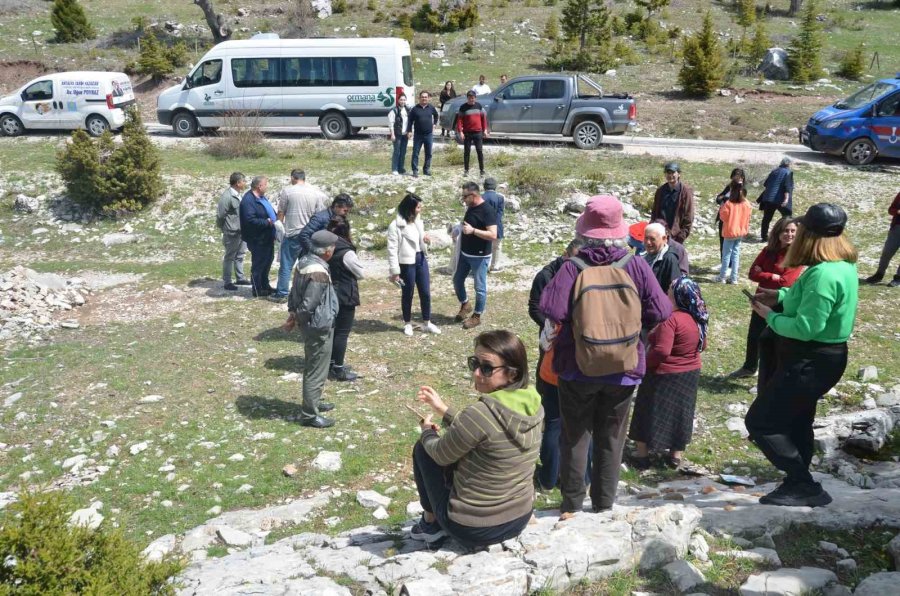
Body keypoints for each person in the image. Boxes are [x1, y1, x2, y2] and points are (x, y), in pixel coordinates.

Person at [539, 195, 671, 519]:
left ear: (585, 232)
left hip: (576, 367)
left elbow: (550, 308)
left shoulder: (573, 267)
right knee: (612, 438)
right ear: (620, 230)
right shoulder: (636, 264)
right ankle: (603, 506)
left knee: (574, 437)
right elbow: (662, 310)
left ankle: (571, 505)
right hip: (623, 369)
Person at [744, 203, 858, 507]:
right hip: (825, 356)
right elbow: (811, 302)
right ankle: (796, 481)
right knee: (797, 420)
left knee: (761, 422)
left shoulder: (821, 275)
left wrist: (770, 316)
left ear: (809, 235)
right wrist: (780, 296)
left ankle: (802, 482)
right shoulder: (842, 266)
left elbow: (807, 326)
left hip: (810, 358)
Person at [409, 330, 543, 547]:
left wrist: (427, 431)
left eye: (487, 368)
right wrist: (444, 410)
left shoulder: (480, 414)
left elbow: (441, 454)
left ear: (512, 373)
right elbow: (484, 430)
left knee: (424, 449)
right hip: (520, 517)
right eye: (475, 363)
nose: (477, 373)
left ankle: (431, 524)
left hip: (474, 529)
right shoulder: (534, 403)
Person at [528, 239, 592, 491]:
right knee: (562, 422)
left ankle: (554, 478)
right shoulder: (548, 276)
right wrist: (547, 325)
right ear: (565, 254)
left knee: (558, 422)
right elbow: (534, 307)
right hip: (571, 363)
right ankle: (569, 477)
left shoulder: (577, 278)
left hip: (558, 363)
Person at [628, 276, 708, 470]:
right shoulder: (698, 318)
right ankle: (675, 455)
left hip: (664, 373)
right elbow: (703, 345)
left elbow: (662, 350)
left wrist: (643, 365)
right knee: (682, 412)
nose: (666, 293)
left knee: (647, 410)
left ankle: (642, 453)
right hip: (690, 372)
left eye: (670, 291)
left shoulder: (670, 319)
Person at [728, 217, 803, 379]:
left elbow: (787, 281)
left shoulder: (796, 255)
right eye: (786, 230)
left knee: (778, 337)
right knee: (754, 334)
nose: (789, 234)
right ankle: (749, 367)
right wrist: (774, 276)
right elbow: (752, 274)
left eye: (793, 231)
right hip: (761, 298)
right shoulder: (768, 251)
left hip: (782, 301)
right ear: (778, 232)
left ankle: (775, 372)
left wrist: (765, 274)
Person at [284, 230, 341, 429]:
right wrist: (296, 319)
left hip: (312, 324)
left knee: (316, 366)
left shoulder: (304, 261)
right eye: (332, 247)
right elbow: (309, 303)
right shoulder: (318, 271)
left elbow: (294, 292)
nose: (333, 249)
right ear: (326, 251)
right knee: (316, 369)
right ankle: (309, 415)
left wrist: (293, 314)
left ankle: (313, 403)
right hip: (318, 326)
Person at [387, 193, 441, 337]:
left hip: (420, 258)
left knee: (425, 292)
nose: (420, 209)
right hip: (406, 263)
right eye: (418, 207)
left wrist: (427, 241)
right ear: (410, 208)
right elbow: (392, 249)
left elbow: (421, 240)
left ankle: (427, 322)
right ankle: (407, 323)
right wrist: (395, 271)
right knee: (407, 294)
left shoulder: (418, 221)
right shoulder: (396, 226)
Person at [273, 169, 328, 301]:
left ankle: (282, 293)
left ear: (293, 178)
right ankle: (305, 292)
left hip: (292, 233)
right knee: (308, 265)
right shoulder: (315, 192)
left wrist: (279, 225)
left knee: (286, 266)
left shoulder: (288, 191)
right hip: (308, 234)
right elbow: (319, 213)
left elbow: (281, 211)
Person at [453, 182, 498, 330]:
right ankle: (465, 304)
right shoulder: (471, 207)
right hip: (465, 254)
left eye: (465, 196)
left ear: (473, 195)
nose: (463, 199)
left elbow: (493, 234)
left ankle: (477, 316)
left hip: (480, 257)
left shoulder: (488, 211)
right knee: (457, 280)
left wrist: (473, 231)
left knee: (479, 287)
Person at [325, 216, 364, 383]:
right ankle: (339, 369)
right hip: (345, 294)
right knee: (342, 333)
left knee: (332, 331)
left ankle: (329, 364)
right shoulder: (346, 252)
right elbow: (361, 273)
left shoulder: (326, 248)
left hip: (329, 292)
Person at [239, 176, 277, 297]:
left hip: (267, 236)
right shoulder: (248, 200)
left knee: (267, 261)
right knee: (259, 263)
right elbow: (249, 220)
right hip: (257, 238)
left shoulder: (260, 197)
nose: (267, 186)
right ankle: (257, 289)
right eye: (265, 184)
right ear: (259, 186)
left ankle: (265, 285)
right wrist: (267, 222)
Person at [216, 172, 251, 291]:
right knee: (229, 257)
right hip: (232, 232)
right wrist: (225, 228)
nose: (245, 183)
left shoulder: (239, 195)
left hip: (242, 231)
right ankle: (227, 281)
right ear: (238, 183)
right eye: (243, 181)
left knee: (240, 255)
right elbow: (221, 215)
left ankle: (240, 277)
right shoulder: (227, 196)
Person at [716, 182, 752, 284]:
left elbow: (723, 217)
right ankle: (734, 278)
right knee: (736, 255)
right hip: (740, 232)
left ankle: (722, 277)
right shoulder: (746, 204)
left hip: (730, 232)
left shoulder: (729, 204)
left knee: (726, 254)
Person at [863, 190, 900, 287]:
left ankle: (898, 278)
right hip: (896, 229)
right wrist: (897, 211)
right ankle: (879, 274)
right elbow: (891, 209)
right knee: (887, 253)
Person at [651, 162, 695, 244]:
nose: (670, 175)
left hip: (676, 235)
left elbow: (689, 215)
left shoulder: (685, 192)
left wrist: (682, 235)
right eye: (668, 173)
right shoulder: (660, 191)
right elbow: (654, 212)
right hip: (660, 233)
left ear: (679, 174)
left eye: (673, 173)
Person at [757, 157, 794, 242]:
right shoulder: (788, 172)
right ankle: (786, 235)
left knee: (766, 218)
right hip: (779, 199)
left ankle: (764, 237)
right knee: (788, 217)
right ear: (788, 164)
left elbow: (766, 184)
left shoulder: (774, 171)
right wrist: (786, 200)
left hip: (768, 198)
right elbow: (787, 187)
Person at [456, 90, 490, 178]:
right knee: (467, 152)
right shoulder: (463, 107)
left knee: (479, 151)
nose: (471, 99)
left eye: (473, 97)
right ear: (467, 98)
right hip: (467, 133)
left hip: (478, 132)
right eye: (470, 98)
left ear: (475, 98)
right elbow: (459, 121)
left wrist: (485, 130)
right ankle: (466, 170)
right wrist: (460, 132)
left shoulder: (479, 106)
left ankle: (482, 170)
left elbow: (484, 118)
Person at [715, 168, 746, 259]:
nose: (736, 179)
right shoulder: (729, 187)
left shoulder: (742, 190)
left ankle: (730, 265)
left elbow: (736, 202)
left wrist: (724, 199)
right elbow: (719, 198)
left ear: (742, 178)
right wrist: (723, 199)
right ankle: (723, 263)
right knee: (722, 241)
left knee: (732, 245)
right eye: (734, 177)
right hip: (723, 217)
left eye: (738, 177)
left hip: (734, 220)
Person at [407, 90, 439, 177]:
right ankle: (415, 170)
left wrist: (435, 124)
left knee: (428, 153)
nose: (424, 98)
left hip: (428, 135)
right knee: (415, 153)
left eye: (425, 97)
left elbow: (436, 115)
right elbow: (410, 121)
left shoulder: (431, 107)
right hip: (418, 135)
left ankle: (426, 169)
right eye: (422, 97)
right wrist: (409, 131)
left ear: (428, 98)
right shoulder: (415, 109)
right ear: (419, 98)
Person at [642, 223, 681, 293]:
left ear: (664, 239)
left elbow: (674, 288)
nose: (648, 242)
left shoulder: (670, 259)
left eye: (652, 239)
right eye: (646, 238)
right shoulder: (642, 256)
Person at [481, 177, 505, 272]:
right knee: (497, 247)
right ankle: (494, 266)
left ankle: (483, 267)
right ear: (495, 187)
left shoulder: (480, 197)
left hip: (482, 227)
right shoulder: (500, 198)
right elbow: (500, 214)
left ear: (484, 187)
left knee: (483, 248)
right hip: (496, 226)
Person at [388, 94, 410, 175]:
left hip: (405, 135)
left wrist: (409, 132)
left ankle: (401, 168)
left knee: (403, 152)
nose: (402, 101)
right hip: (397, 134)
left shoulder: (408, 109)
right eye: (401, 99)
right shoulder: (394, 110)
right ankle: (394, 169)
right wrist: (392, 134)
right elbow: (391, 123)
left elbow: (410, 122)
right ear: (398, 100)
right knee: (397, 151)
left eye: (404, 100)